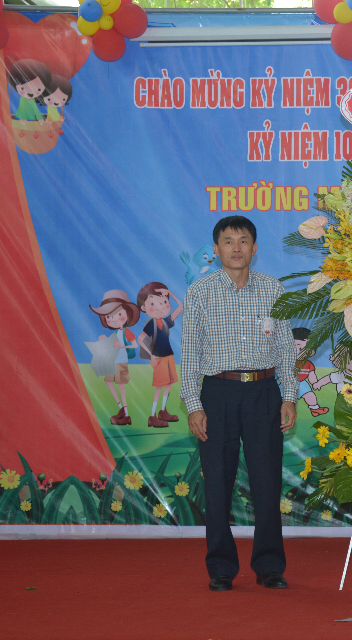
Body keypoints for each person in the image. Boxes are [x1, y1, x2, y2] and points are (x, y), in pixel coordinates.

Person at [180, 215, 298, 592]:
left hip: (264, 393)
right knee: (217, 482)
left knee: (267, 481)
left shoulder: (272, 289)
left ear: (254, 248)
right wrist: (193, 404)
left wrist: (289, 396)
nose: (236, 248)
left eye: (243, 241)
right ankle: (221, 568)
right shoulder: (200, 292)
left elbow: (286, 349)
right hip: (218, 393)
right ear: (216, 250)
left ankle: (269, 566)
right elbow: (189, 354)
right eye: (228, 241)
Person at [89, 290, 140, 426]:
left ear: (127, 313)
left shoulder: (126, 332)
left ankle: (127, 414)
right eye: (108, 317)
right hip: (112, 361)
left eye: (118, 314)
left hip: (121, 362)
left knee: (121, 386)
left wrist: (122, 346)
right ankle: (121, 408)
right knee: (108, 381)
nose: (113, 319)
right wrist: (104, 340)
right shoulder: (117, 332)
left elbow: (135, 345)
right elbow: (112, 346)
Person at [137, 282, 182, 428]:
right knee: (159, 387)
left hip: (169, 355)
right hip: (159, 357)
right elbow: (140, 339)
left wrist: (169, 292)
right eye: (153, 303)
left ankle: (163, 411)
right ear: (144, 308)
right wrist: (151, 355)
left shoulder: (166, 321)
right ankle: (152, 416)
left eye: (164, 302)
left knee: (168, 384)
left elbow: (181, 306)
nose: (160, 306)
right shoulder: (151, 323)